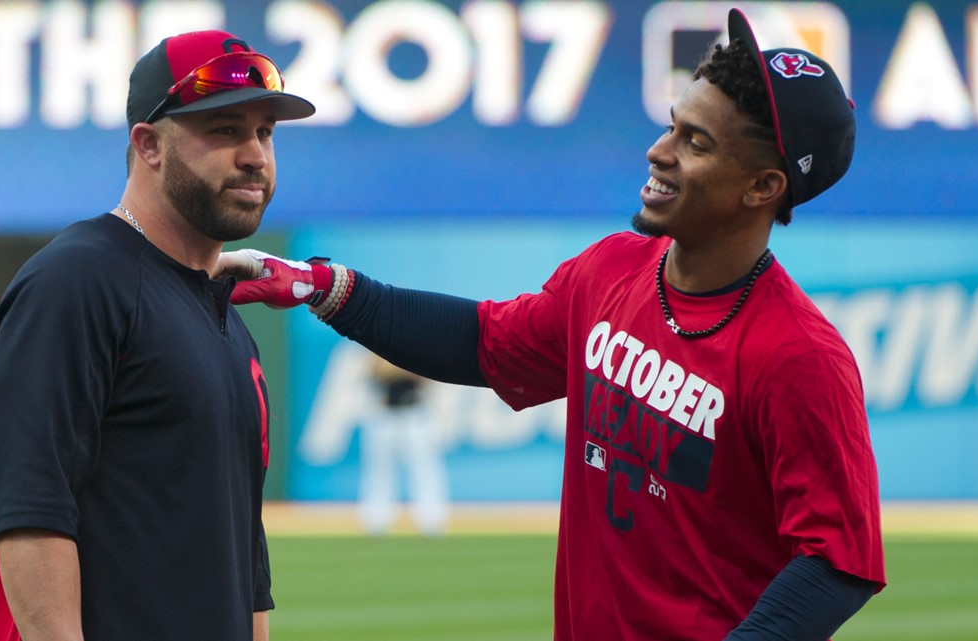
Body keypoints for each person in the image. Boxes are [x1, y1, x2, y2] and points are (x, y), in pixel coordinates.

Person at [219, 8, 886, 640]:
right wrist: (322, 284)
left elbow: (837, 558)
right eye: (672, 125)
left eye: (696, 143)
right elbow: (482, 343)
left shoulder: (800, 354)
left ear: (762, 188)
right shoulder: (612, 270)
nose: (659, 152)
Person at [0, 30, 314, 641]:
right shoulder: (76, 281)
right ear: (149, 144)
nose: (255, 155)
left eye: (265, 132)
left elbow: (248, 558)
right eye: (224, 129)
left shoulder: (227, 320)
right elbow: (32, 515)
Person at [358, 354, 449, 536]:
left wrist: (397, 368)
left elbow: (427, 376)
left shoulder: (413, 343)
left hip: (414, 413)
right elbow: (374, 371)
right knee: (379, 470)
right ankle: (375, 522)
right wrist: (399, 368)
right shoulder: (377, 343)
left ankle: (431, 522)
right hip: (384, 414)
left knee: (424, 469)